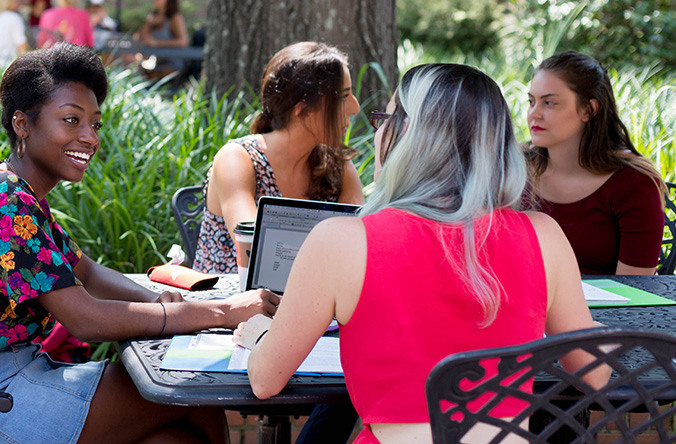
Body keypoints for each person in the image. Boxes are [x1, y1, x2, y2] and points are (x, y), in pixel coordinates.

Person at [0, 43, 279, 444]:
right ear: (22, 124)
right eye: (71, 120)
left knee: (181, 435)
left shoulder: (17, 192)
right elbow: (85, 319)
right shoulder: (3, 198)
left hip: (4, 383)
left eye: (94, 124)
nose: (89, 137)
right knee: (193, 400)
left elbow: (86, 271)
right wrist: (221, 312)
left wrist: (159, 303)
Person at [235, 63, 608, 444]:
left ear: (406, 137)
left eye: (386, 119)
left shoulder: (340, 242)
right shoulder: (544, 236)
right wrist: (594, 332)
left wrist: (262, 335)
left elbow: (265, 381)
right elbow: (594, 374)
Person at [196, 42, 364, 275]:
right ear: (303, 108)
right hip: (228, 305)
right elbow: (255, 250)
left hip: (306, 304)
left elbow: (362, 245)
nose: (355, 108)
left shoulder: (337, 166)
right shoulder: (238, 159)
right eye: (344, 97)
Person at [524, 51, 666, 275]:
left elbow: (637, 290)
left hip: (604, 309)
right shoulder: (512, 169)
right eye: (531, 101)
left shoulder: (634, 183)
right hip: (519, 305)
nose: (534, 114)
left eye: (549, 103)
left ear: (588, 110)